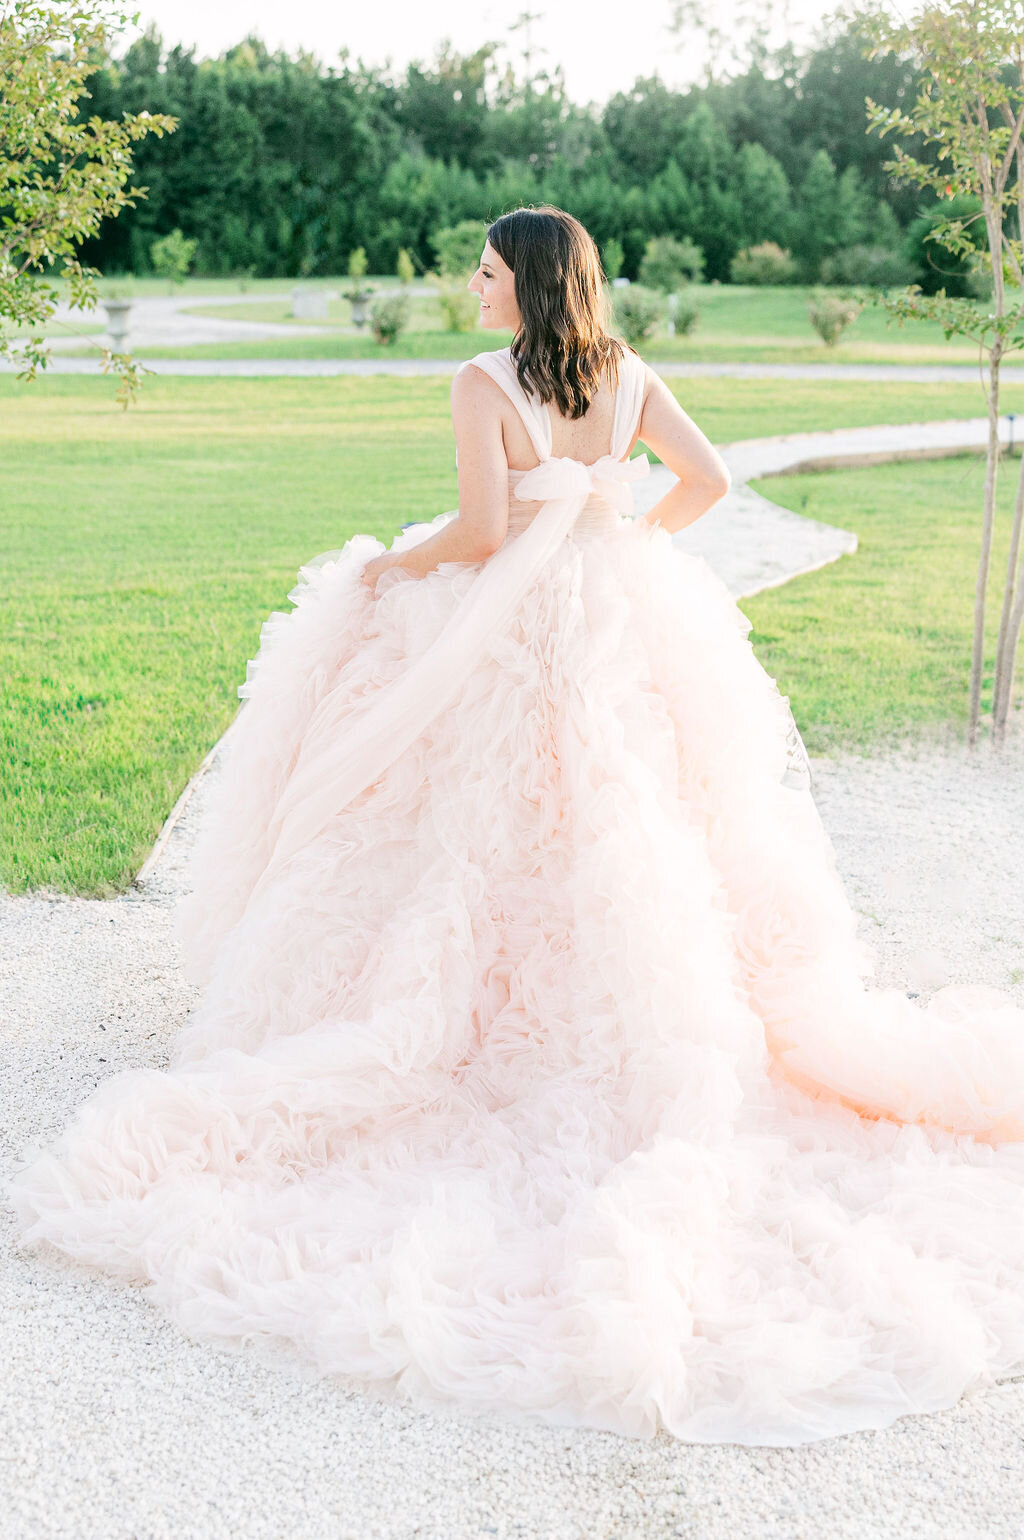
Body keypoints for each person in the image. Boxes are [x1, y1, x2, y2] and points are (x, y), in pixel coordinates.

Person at [8, 205, 1024, 1448]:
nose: (471, 284)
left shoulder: (481, 384)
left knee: (478, 825)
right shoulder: (627, 372)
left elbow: (484, 534)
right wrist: (624, 542)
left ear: (528, 283)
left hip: (520, 630)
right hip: (616, 613)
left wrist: (389, 568)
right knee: (636, 818)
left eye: (486, 270)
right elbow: (707, 482)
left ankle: (474, 1024)